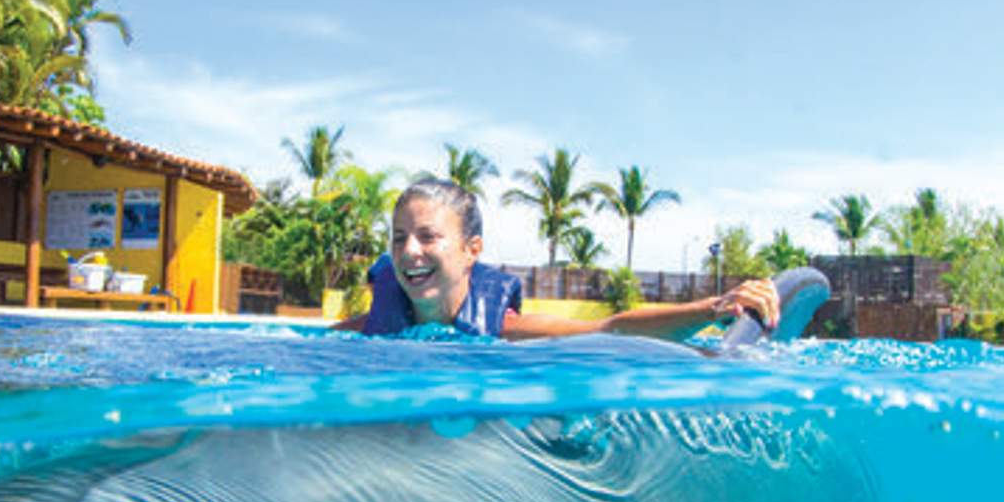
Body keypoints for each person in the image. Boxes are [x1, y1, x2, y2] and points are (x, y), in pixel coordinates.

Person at [331, 176, 825, 345]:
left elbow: (610, 330)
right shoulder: (370, 328)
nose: (409, 253)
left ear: (471, 250)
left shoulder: (502, 328)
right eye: (398, 239)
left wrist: (714, 308)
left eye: (426, 237)